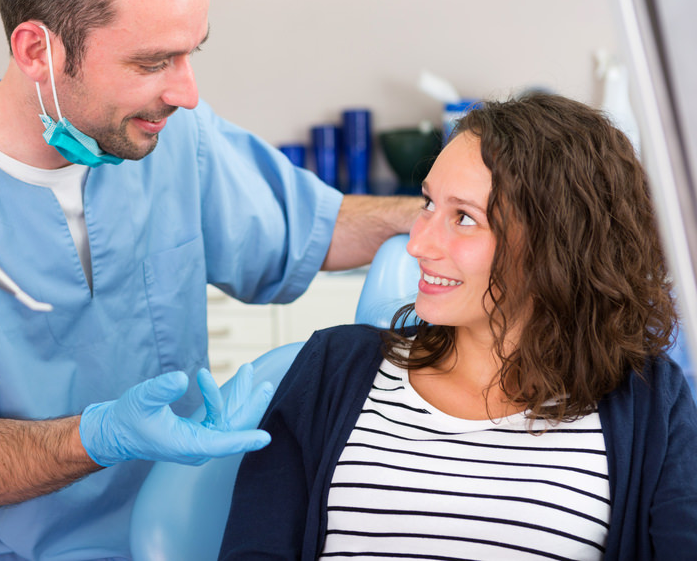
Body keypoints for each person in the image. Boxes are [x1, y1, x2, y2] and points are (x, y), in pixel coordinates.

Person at [0, 0, 420, 558]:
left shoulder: (171, 137)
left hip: (193, 528)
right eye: (151, 62)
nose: (186, 91)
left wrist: (442, 219)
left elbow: (309, 226)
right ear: (36, 50)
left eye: (191, 53)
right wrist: (101, 434)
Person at [219, 93, 697, 560]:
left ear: (559, 248)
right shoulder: (331, 368)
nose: (417, 244)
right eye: (427, 203)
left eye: (464, 218)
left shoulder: (648, 402)